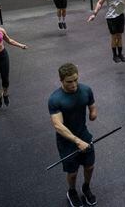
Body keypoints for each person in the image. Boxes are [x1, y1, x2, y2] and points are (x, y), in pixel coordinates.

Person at [48, 63, 98, 207]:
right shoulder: (55, 99)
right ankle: (72, 191)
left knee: (89, 166)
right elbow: (58, 125)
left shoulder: (86, 90)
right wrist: (77, 141)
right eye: (69, 81)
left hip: (84, 134)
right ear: (61, 80)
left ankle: (86, 188)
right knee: (73, 172)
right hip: (66, 141)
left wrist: (93, 113)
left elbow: (92, 104)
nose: (74, 84)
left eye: (76, 79)